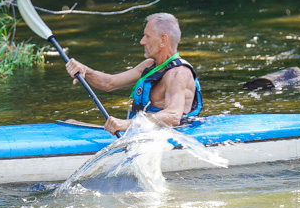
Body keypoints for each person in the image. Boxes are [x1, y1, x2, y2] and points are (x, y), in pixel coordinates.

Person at [64, 12, 202, 134]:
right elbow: (109, 83)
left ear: (163, 40)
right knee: (70, 123)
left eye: (147, 36)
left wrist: (126, 124)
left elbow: (173, 116)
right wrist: (86, 71)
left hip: (169, 137)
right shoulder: (150, 66)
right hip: (140, 132)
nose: (142, 41)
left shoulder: (178, 74)